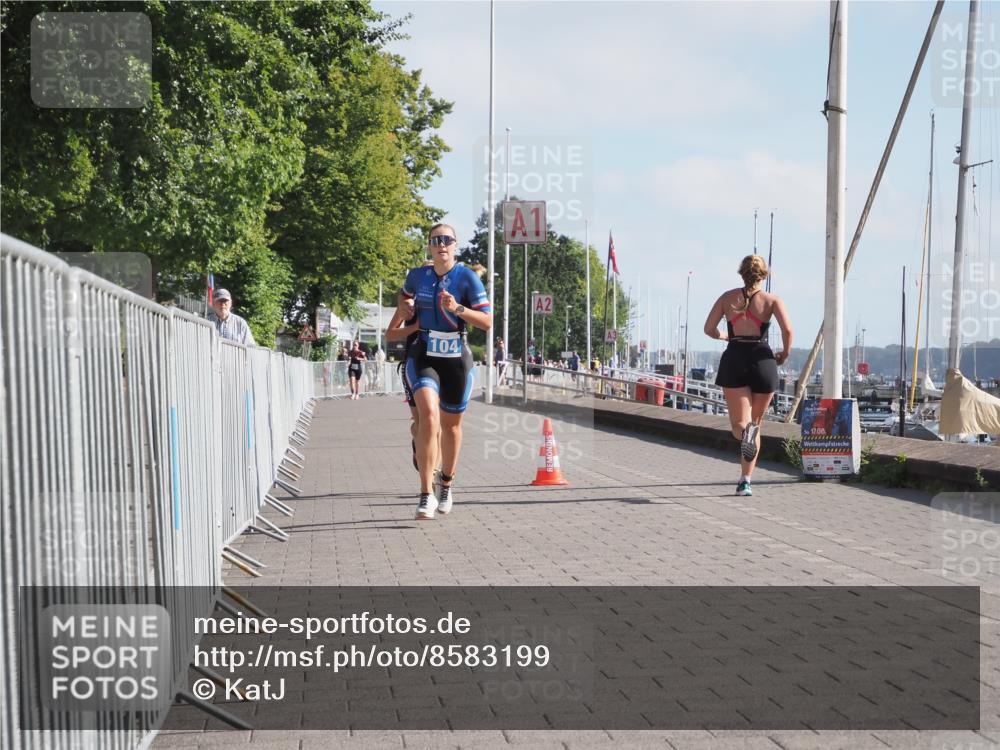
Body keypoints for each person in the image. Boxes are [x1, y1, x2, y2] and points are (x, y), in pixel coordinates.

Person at [400, 223, 492, 520]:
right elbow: (403, 298)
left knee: (451, 426)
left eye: (447, 240)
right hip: (424, 351)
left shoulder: (466, 278)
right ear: (429, 245)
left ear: (455, 245)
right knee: (428, 415)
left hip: (455, 356)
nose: (442, 244)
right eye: (436, 240)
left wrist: (458, 309)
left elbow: (487, 322)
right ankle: (425, 494)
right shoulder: (417, 276)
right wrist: (405, 307)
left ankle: (447, 484)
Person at [704, 254, 792, 497]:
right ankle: (745, 481)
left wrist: (725, 336)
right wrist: (784, 353)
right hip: (763, 360)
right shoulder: (772, 300)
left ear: (741, 273)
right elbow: (788, 329)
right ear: (764, 276)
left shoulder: (726, 298)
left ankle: (744, 436)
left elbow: (708, 329)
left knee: (739, 424)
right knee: (756, 424)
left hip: (735, 357)